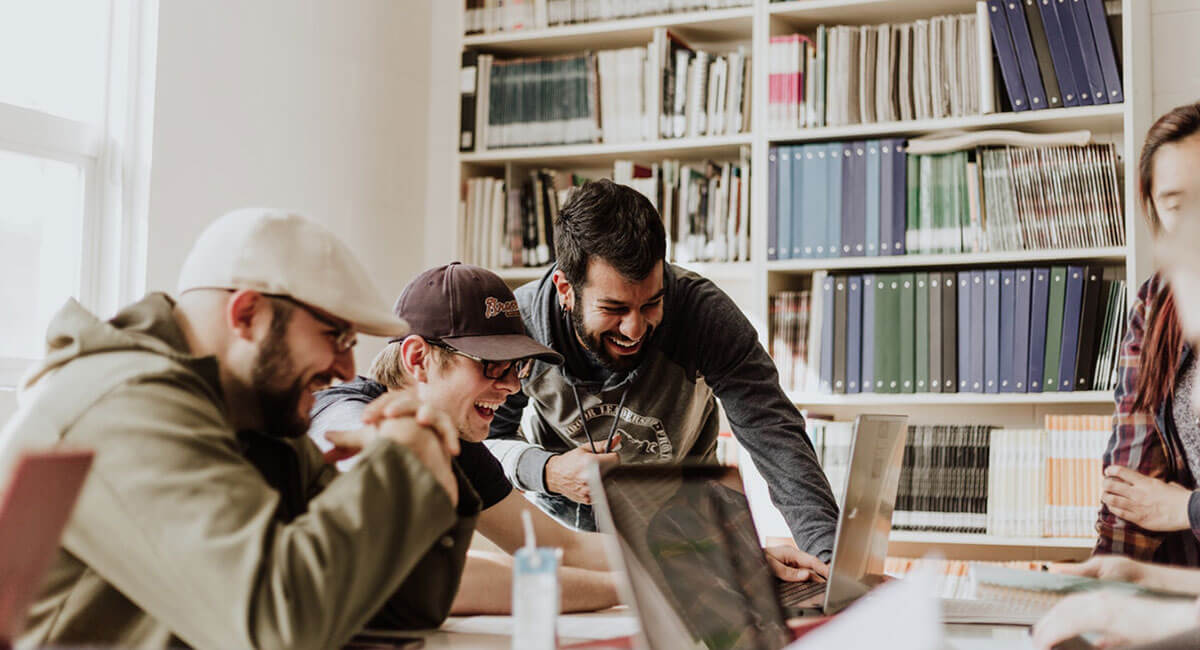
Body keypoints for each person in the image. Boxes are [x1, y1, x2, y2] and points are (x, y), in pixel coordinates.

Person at [0, 209, 477, 649]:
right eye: (336, 336)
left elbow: (397, 609)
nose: (348, 369)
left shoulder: (254, 419)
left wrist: (429, 466)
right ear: (247, 314)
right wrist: (401, 466)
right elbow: (276, 625)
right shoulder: (124, 405)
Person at [308, 262, 822, 614]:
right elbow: (435, 575)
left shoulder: (457, 441)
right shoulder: (347, 418)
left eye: (519, 368)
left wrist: (720, 558)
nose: (511, 387)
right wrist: (663, 585)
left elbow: (558, 545)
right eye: (492, 366)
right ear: (418, 358)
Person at [485, 178, 840, 570]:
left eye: (651, 304)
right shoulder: (520, 326)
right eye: (614, 309)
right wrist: (547, 471)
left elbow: (776, 436)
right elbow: (483, 444)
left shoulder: (703, 314)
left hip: (687, 537)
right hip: (567, 544)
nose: (634, 329)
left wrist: (830, 564)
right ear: (566, 288)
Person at [1095, 101, 1200, 566]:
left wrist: (1185, 508)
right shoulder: (1156, 304)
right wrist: (1105, 577)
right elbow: (1131, 483)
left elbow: (1166, 505)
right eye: (1177, 205)